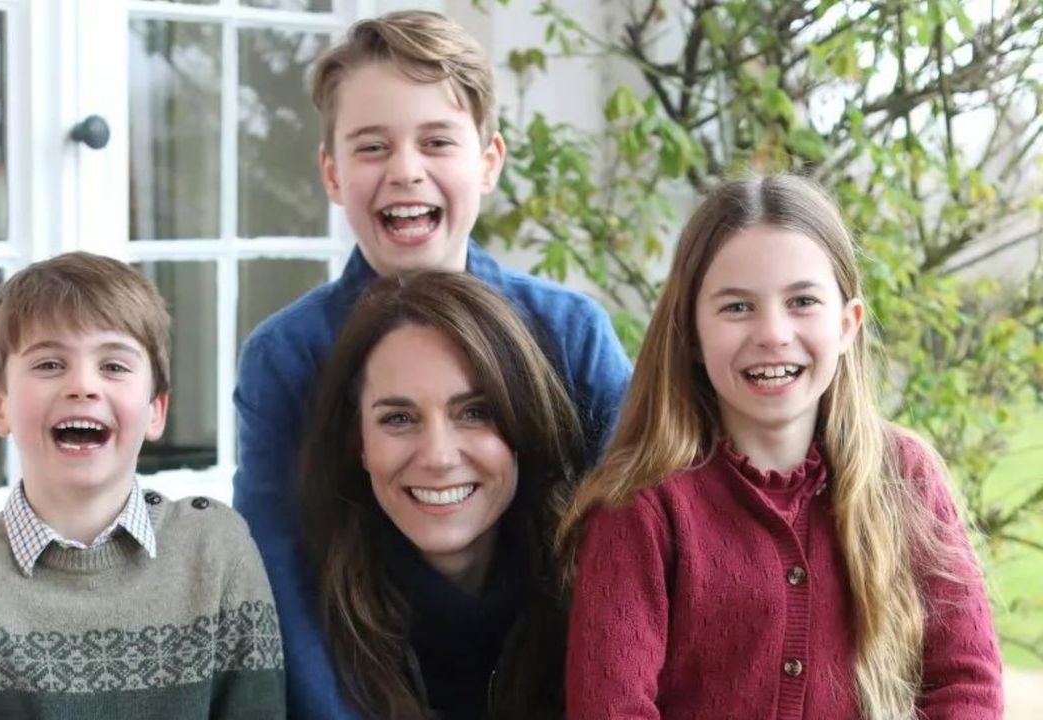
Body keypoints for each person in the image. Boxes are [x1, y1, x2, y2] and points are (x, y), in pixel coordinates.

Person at [232, 10, 632, 719]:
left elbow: (634, 548)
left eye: (437, 141)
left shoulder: (570, 336)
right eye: (372, 147)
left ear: (488, 162)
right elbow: (281, 584)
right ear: (331, 173)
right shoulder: (286, 358)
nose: (405, 171)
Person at [562, 175, 1003, 719]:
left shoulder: (906, 477)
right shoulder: (642, 509)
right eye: (737, 308)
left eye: (802, 301)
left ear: (847, 326)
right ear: (692, 334)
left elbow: (967, 685)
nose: (773, 332)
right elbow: (611, 709)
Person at [0, 252, 284, 719]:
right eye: (49, 364)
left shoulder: (218, 552)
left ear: (155, 411)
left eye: (115, 367)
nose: (83, 386)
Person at [300, 271, 584, 719]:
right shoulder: (303, 621)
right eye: (398, 419)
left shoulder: (591, 594)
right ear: (359, 443)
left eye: (475, 412)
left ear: (523, 424)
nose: (438, 457)